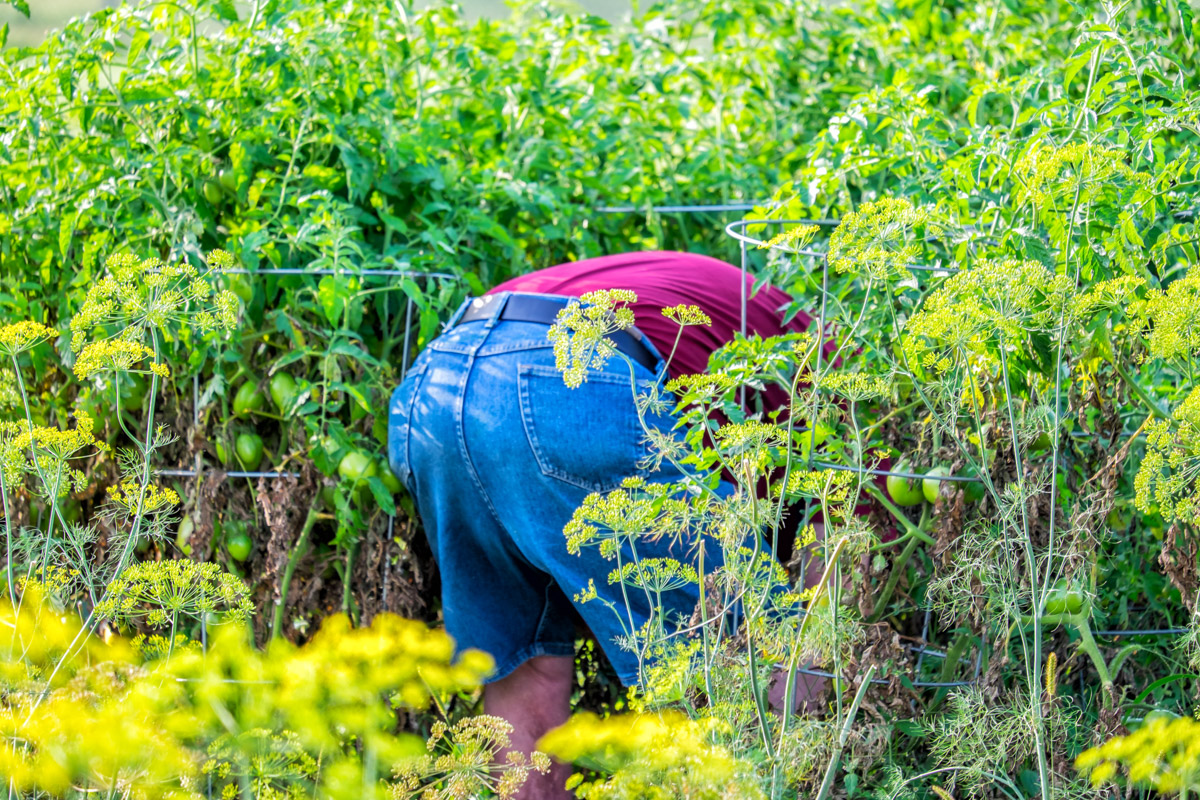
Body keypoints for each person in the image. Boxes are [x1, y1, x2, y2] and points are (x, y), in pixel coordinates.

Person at [387, 250, 817, 800]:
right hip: (565, 380)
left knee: (528, 674)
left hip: (438, 387)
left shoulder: (740, 304)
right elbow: (834, 575)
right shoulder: (832, 372)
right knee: (754, 666)